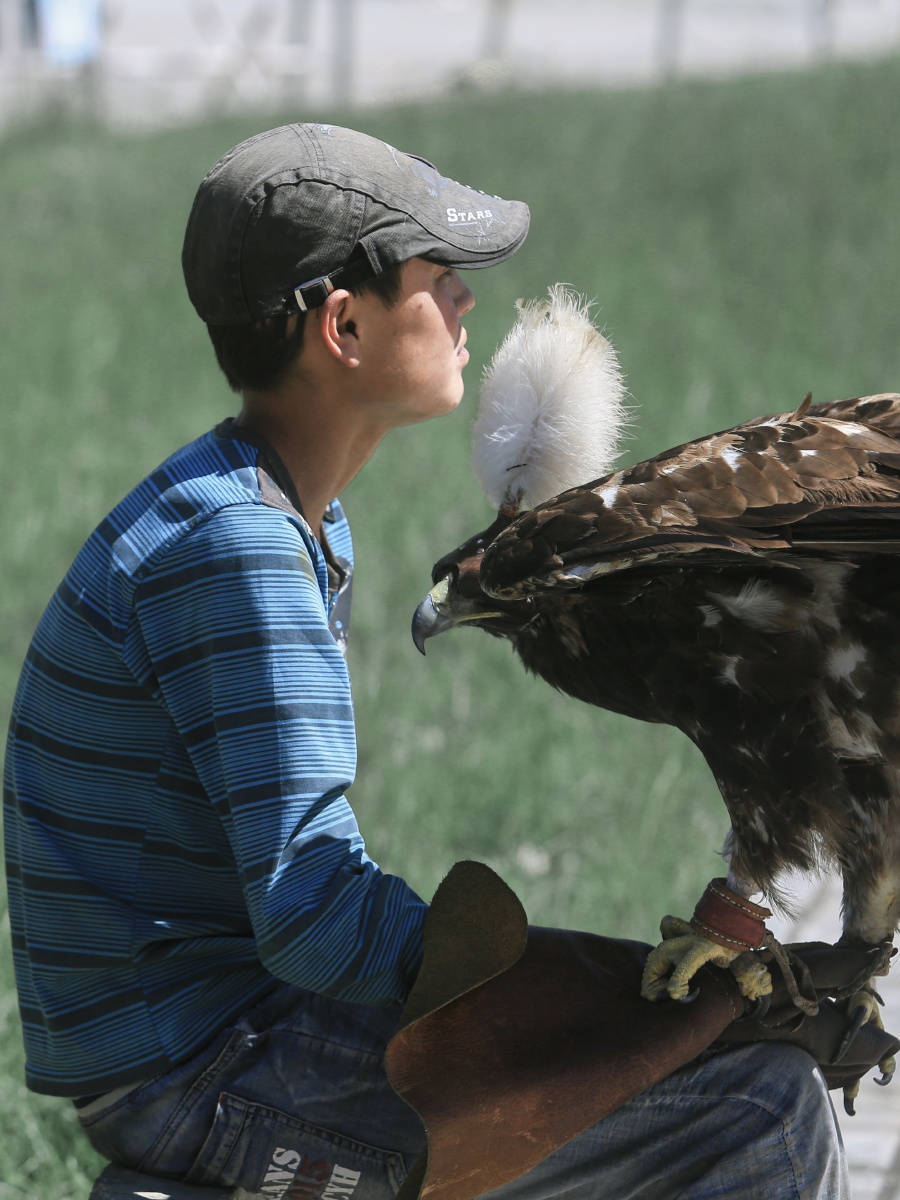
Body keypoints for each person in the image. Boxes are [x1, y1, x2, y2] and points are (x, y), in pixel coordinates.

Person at [3, 122, 853, 1200]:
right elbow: (313, 914)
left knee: (704, 1043)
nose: (466, 304)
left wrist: (613, 1001)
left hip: (229, 1029)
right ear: (344, 324)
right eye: (439, 275)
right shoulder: (240, 551)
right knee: (761, 1107)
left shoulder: (265, 510)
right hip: (199, 1070)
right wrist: (567, 991)